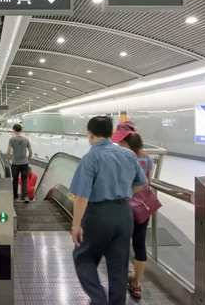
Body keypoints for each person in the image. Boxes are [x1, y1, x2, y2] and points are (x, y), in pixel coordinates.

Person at [69, 116, 147, 305]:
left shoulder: (90, 158)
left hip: (98, 214)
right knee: (118, 264)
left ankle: (98, 298)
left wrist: (76, 225)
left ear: (91, 133)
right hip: (124, 214)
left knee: (83, 256)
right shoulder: (128, 155)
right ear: (111, 133)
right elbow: (141, 184)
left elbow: (81, 196)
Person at [111, 121, 153, 299]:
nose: (118, 144)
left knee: (120, 244)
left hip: (123, 206)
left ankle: (119, 280)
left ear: (126, 142)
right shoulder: (147, 159)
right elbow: (147, 182)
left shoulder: (121, 158)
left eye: (120, 141)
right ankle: (136, 284)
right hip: (143, 207)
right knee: (139, 244)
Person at [6, 123, 33, 203]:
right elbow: (31, 152)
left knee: (15, 179)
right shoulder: (26, 139)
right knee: (24, 179)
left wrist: (8, 160)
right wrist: (28, 160)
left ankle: (15, 196)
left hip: (15, 163)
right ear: (21, 130)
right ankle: (26, 196)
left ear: (14, 130)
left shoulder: (12, 140)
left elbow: (8, 152)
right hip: (24, 163)